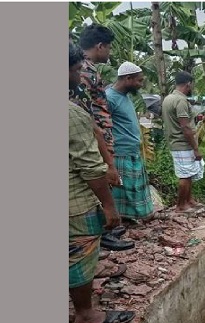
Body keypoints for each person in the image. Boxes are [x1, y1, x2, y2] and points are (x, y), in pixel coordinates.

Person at [69, 43, 135, 323]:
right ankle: (86, 315)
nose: (78, 74)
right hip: (74, 201)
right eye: (74, 69)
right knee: (79, 251)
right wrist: (109, 206)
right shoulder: (70, 113)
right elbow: (88, 167)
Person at [69, 24, 134, 251]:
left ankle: (106, 231)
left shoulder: (84, 68)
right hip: (92, 139)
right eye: (109, 47)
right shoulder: (83, 71)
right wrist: (107, 157)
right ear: (100, 46)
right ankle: (105, 232)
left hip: (96, 136)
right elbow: (88, 114)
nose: (110, 52)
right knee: (99, 179)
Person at [106, 62, 155, 223]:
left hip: (132, 151)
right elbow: (103, 127)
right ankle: (119, 223)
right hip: (120, 153)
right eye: (139, 81)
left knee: (132, 189)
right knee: (122, 191)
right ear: (128, 78)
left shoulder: (124, 97)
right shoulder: (109, 97)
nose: (141, 85)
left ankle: (128, 219)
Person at [161, 71, 205, 213]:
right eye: (192, 84)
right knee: (185, 175)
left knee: (189, 173)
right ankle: (181, 205)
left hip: (177, 142)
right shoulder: (180, 101)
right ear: (188, 84)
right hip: (182, 143)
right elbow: (185, 126)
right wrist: (196, 148)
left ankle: (189, 200)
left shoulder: (169, 98)